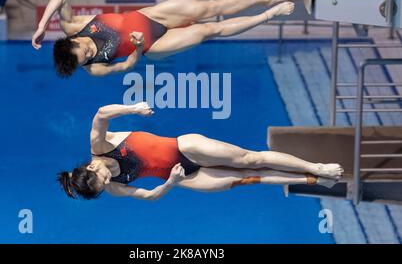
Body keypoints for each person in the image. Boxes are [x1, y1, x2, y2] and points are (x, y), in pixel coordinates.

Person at [57, 103, 344, 201]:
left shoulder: (100, 146)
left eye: (102, 180)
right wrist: (172, 182)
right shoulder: (112, 187)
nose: (108, 184)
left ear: (93, 168)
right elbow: (148, 196)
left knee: (251, 159)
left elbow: (100, 114)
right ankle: (317, 180)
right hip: (183, 176)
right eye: (103, 187)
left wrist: (133, 109)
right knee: (250, 178)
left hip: (185, 147)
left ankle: (318, 167)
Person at [33, 0, 298, 78]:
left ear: (73, 40)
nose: (90, 54)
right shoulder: (94, 69)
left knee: (208, 8)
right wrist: (137, 48)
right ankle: (268, 15)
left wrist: (42, 26)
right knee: (209, 29)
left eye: (86, 51)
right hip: (154, 45)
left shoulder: (73, 26)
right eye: (86, 59)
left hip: (152, 15)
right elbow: (126, 65)